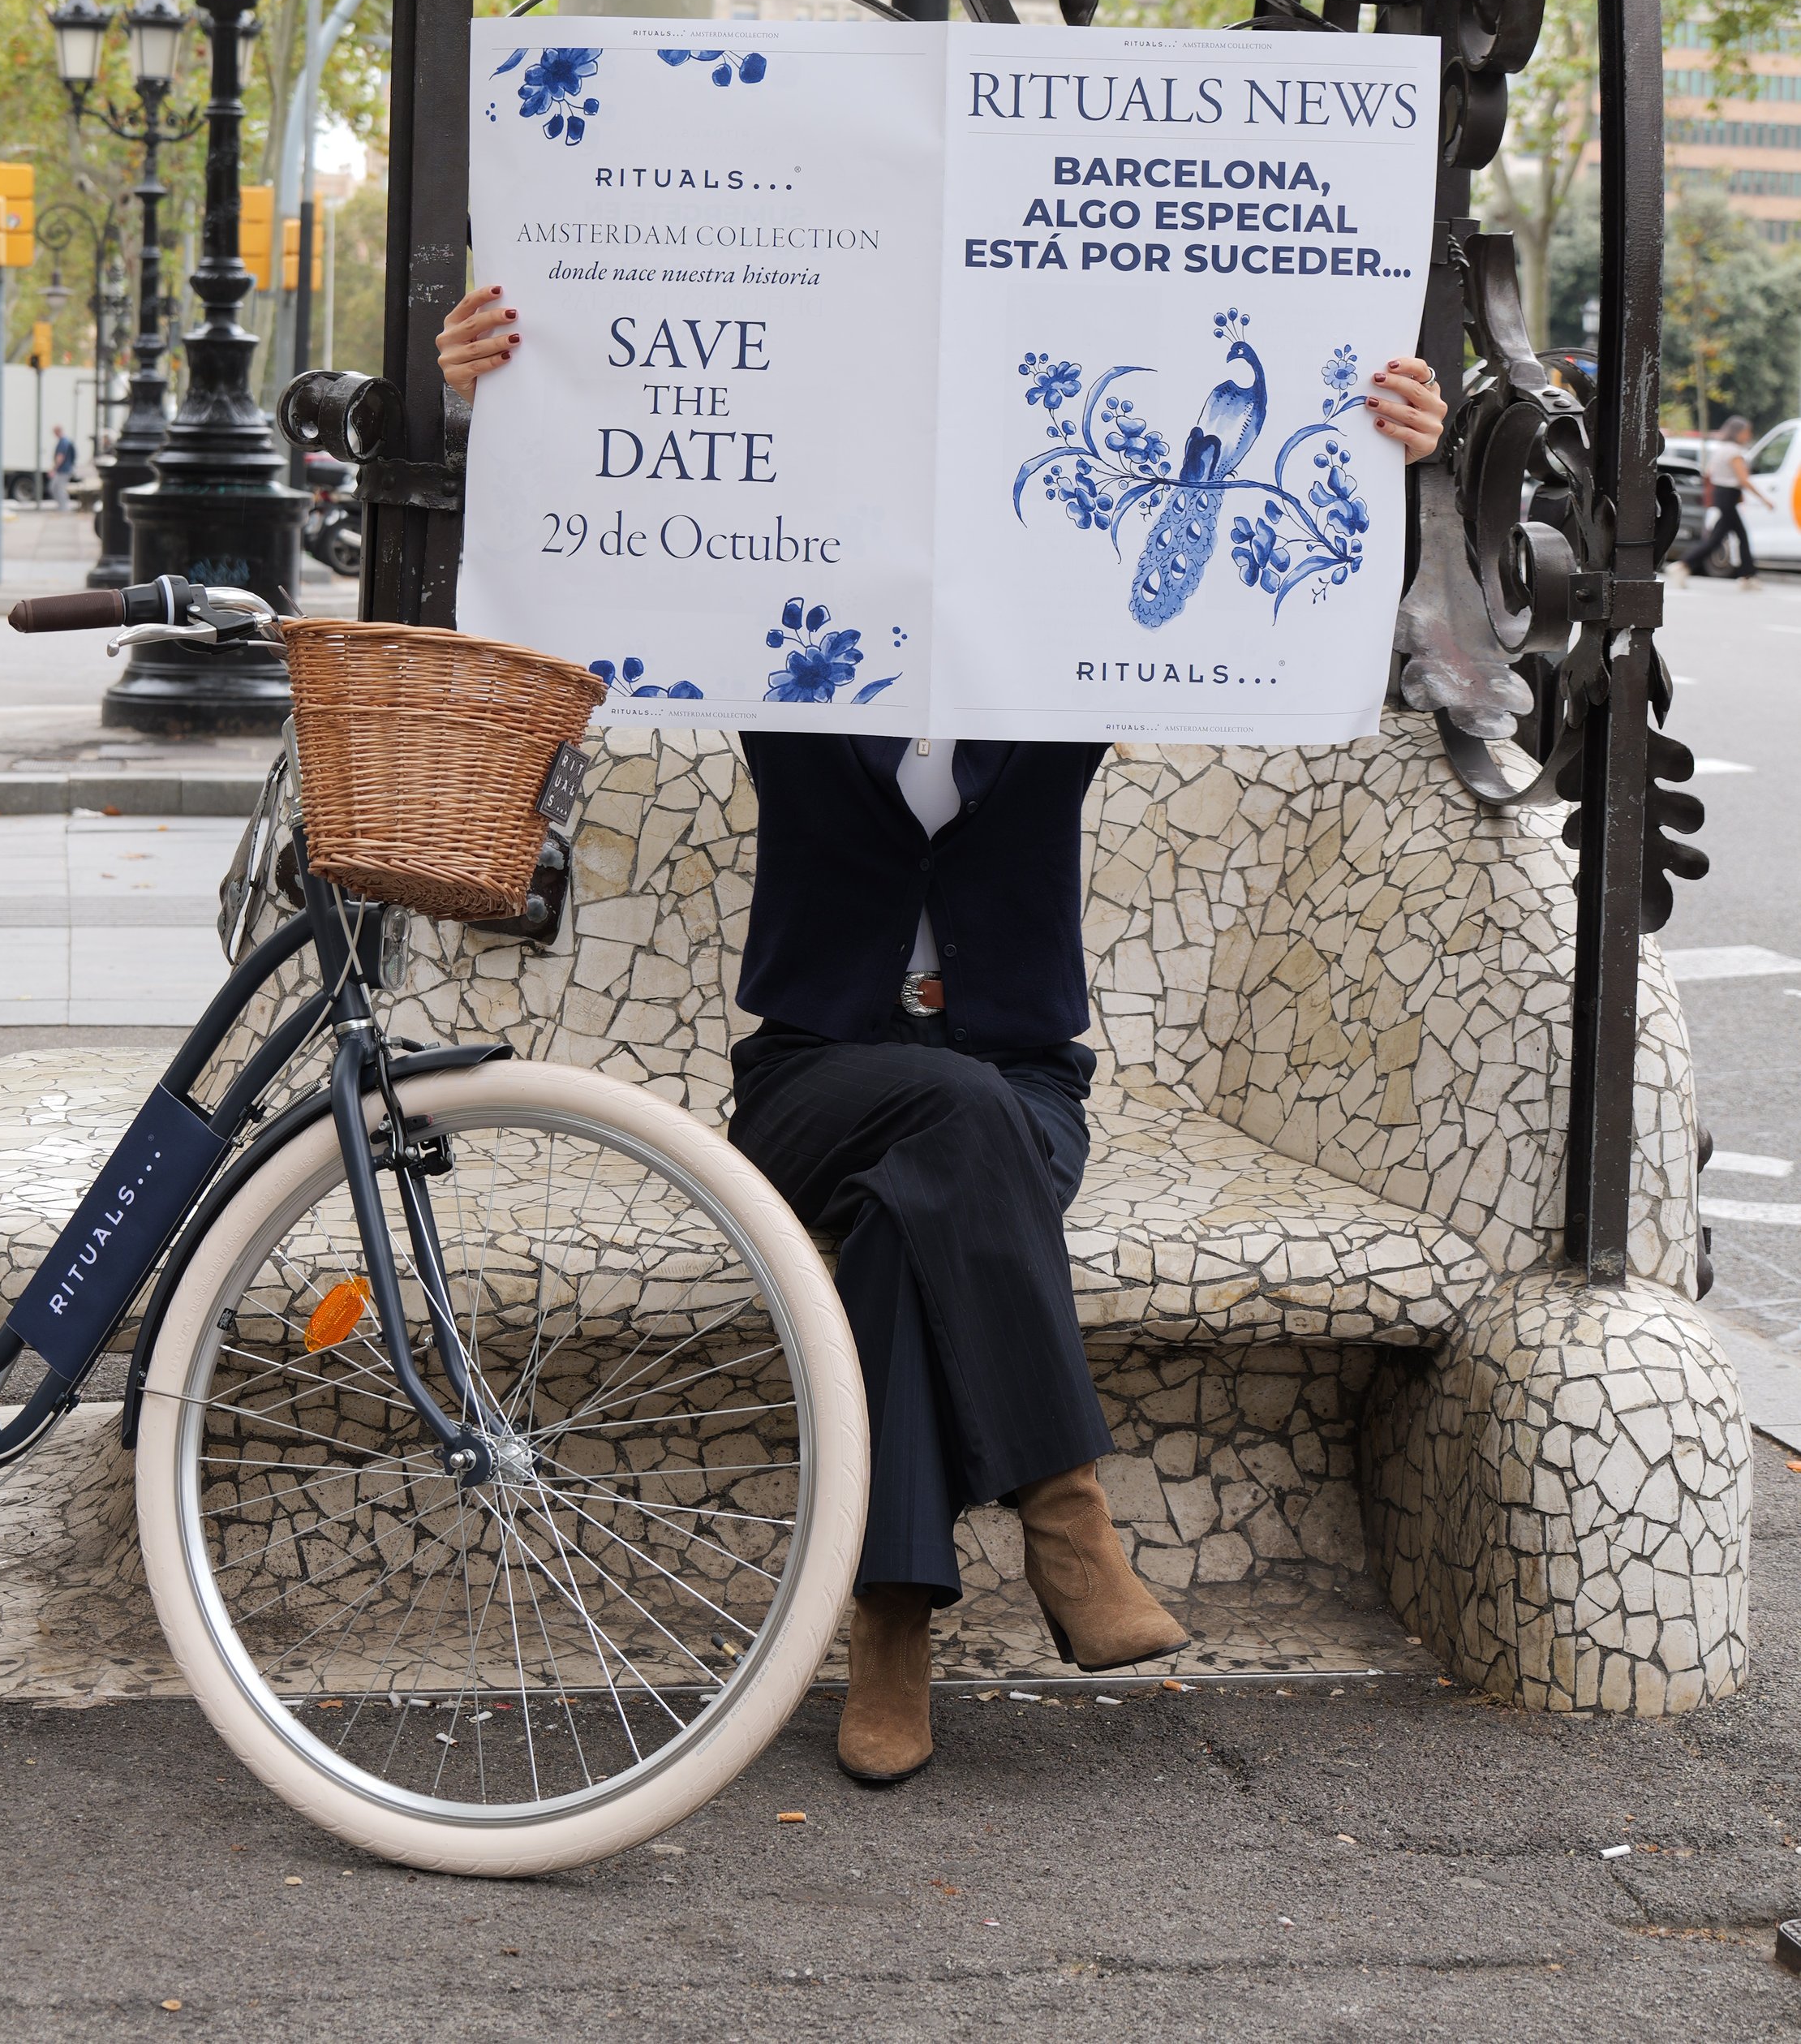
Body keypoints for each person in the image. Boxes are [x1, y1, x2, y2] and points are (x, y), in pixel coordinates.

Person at [436, 282, 1447, 1785]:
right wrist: (491, 410)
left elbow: (1253, 592)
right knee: (942, 1130)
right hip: (811, 1076)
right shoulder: (774, 645)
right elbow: (597, 549)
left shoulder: (1074, 648)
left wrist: (1387, 462)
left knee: (927, 1209)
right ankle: (1067, 1518)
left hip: (1024, 1073)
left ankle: (890, 1619)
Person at [1677, 415, 1767, 584]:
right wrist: (1764, 499)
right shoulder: (1734, 452)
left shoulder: (1721, 449)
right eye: (1747, 432)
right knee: (1736, 536)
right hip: (1729, 496)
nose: (1749, 435)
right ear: (1738, 432)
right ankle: (1748, 576)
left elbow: (1710, 473)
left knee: (1721, 537)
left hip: (1721, 495)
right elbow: (1743, 479)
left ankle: (1748, 576)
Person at [49, 425, 78, 512]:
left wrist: (54, 469)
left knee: (57, 488)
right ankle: (62, 507)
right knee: (56, 488)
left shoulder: (63, 442)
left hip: (63, 470)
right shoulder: (66, 441)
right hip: (66, 469)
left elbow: (60, 457)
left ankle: (64, 508)